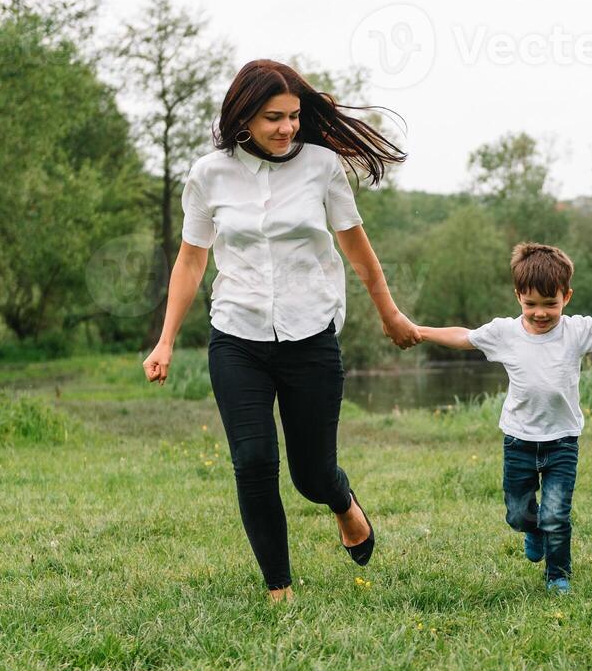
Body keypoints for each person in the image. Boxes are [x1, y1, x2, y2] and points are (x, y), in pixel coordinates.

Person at [142, 59, 420, 602]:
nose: (287, 128)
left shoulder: (322, 167)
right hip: (236, 335)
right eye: (273, 117)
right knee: (252, 460)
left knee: (312, 475)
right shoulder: (208, 174)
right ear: (244, 115)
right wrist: (167, 338)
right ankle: (279, 588)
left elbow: (357, 248)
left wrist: (390, 313)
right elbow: (191, 261)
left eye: (293, 116)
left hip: (311, 334)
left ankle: (342, 502)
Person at [419, 242, 592, 593]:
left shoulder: (576, 331)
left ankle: (557, 574)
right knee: (518, 515)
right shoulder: (505, 333)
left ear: (567, 296)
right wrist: (420, 331)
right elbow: (462, 337)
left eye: (551, 304)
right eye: (531, 303)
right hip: (518, 440)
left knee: (556, 515)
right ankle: (532, 531)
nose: (540, 313)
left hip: (562, 441)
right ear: (518, 295)